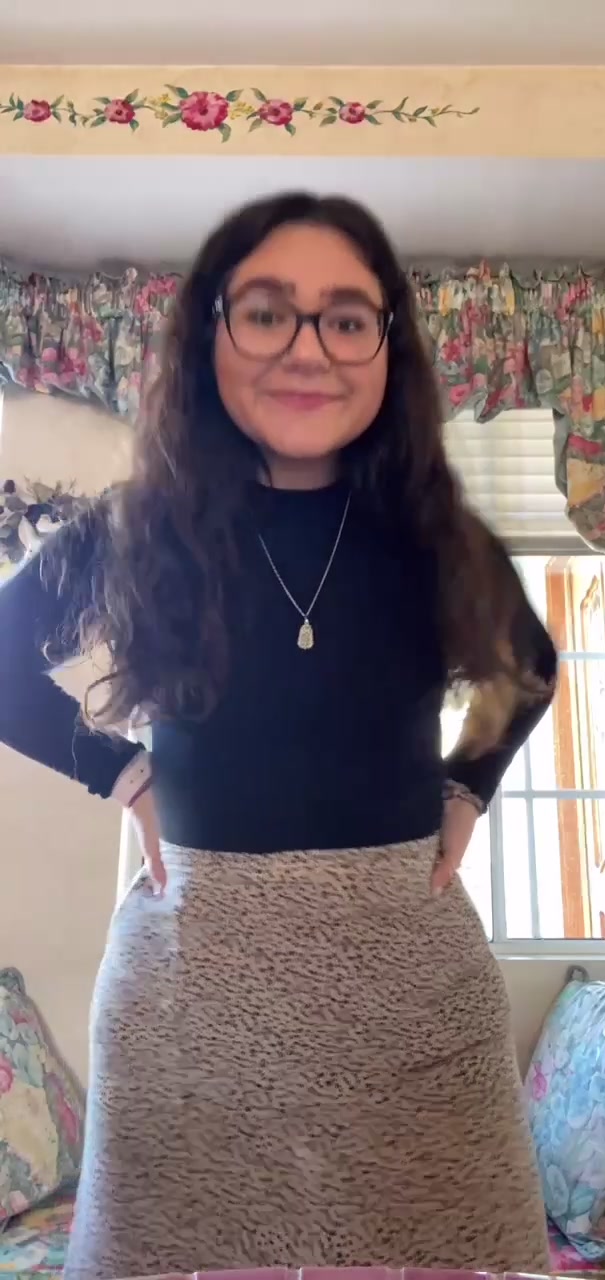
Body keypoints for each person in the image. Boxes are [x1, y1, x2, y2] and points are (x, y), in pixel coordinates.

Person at [0, 192, 556, 1279]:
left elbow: (527, 667)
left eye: (346, 318)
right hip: (189, 996)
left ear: (388, 348)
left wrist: (469, 783)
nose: (309, 349)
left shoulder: (439, 536)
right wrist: (121, 774)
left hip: (414, 993)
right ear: (210, 335)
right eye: (266, 313)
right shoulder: (135, 528)